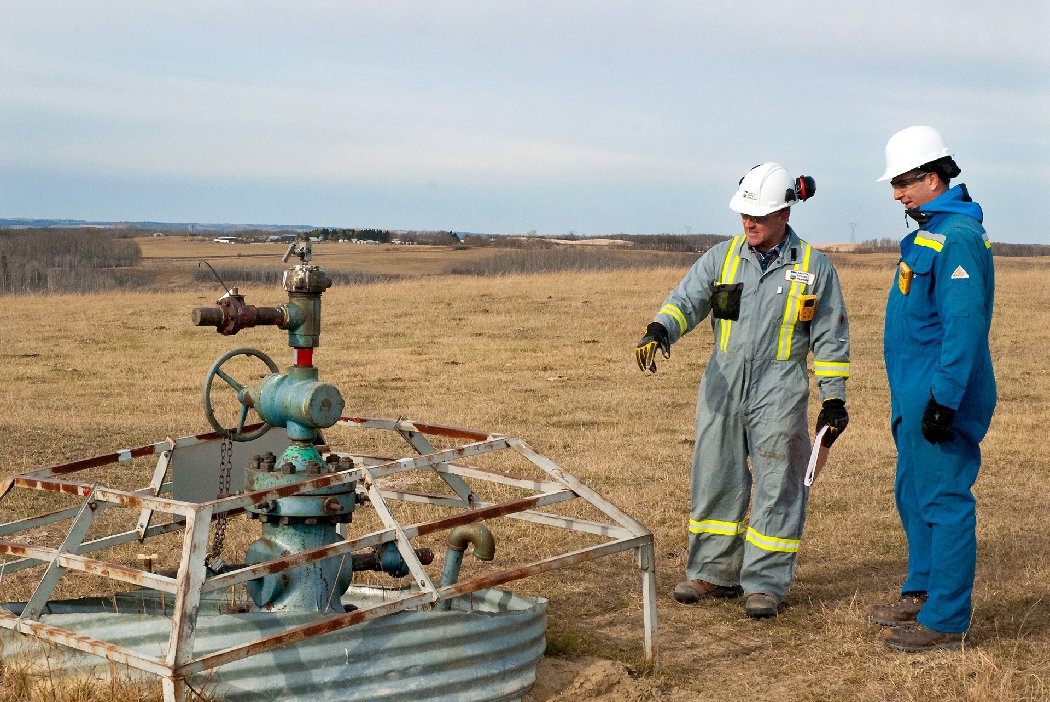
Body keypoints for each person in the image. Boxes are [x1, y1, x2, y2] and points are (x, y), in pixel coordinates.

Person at [635, 163, 851, 618]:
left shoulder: (814, 268)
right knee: (715, 477)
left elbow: (831, 337)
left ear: (784, 214)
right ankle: (713, 574)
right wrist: (661, 329)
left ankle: (765, 585)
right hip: (723, 388)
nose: (749, 222)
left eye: (759, 215)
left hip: (780, 391)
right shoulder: (722, 258)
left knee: (779, 484)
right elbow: (687, 300)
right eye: (744, 214)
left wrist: (833, 398)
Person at [867, 126, 996, 652]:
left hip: (941, 393)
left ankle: (945, 620)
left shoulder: (958, 236)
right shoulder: (930, 231)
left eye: (903, 183)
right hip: (914, 391)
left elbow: (963, 327)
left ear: (933, 178)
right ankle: (922, 590)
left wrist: (943, 400)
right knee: (913, 492)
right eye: (894, 185)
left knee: (944, 499)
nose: (897, 194)